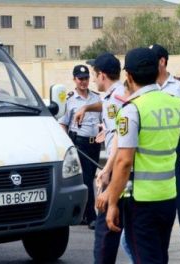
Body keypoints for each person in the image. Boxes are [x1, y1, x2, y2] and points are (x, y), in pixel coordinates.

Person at [105, 47, 180, 264]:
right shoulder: (175, 103)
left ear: (128, 76)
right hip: (168, 196)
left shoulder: (132, 110)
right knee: (159, 256)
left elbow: (124, 161)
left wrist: (112, 202)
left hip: (142, 201)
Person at [77, 52, 129, 264]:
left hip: (117, 172)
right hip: (118, 170)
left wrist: (106, 171)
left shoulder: (116, 99)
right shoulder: (112, 96)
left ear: (102, 75)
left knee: (105, 237)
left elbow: (122, 136)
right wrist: (87, 107)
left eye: (94, 74)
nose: (93, 79)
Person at [150, 43, 180, 256]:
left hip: (177, 143)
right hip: (154, 145)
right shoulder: (146, 87)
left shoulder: (178, 87)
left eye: (152, 59)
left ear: (162, 61)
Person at [58, 64, 102, 230]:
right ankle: (91, 216)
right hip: (80, 143)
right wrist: (68, 143)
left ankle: (84, 213)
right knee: (87, 179)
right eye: (80, 79)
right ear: (74, 80)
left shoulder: (96, 98)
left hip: (95, 143)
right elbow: (63, 123)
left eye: (86, 78)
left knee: (90, 178)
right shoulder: (69, 100)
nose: (84, 82)